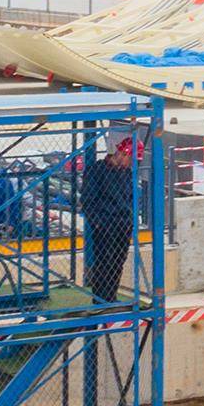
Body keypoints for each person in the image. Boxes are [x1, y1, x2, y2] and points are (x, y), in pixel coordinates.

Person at [82, 126, 137, 303]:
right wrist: (97, 222)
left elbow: (129, 197)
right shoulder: (97, 170)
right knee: (104, 260)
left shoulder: (126, 173)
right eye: (131, 159)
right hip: (105, 223)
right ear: (122, 154)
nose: (131, 163)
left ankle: (110, 296)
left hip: (122, 223)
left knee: (118, 261)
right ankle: (100, 298)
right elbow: (88, 198)